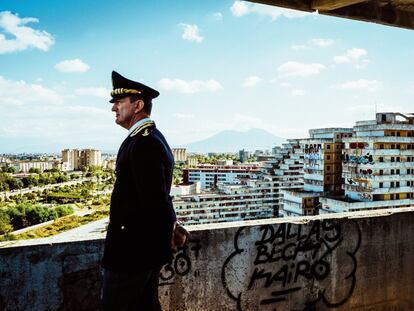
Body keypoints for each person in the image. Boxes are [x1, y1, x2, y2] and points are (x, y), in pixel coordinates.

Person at [101, 70, 178, 311]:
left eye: (119, 102)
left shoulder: (144, 142)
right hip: (141, 249)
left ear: (138, 105)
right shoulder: (145, 138)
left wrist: (169, 229)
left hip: (131, 252)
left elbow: (154, 201)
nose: (114, 108)